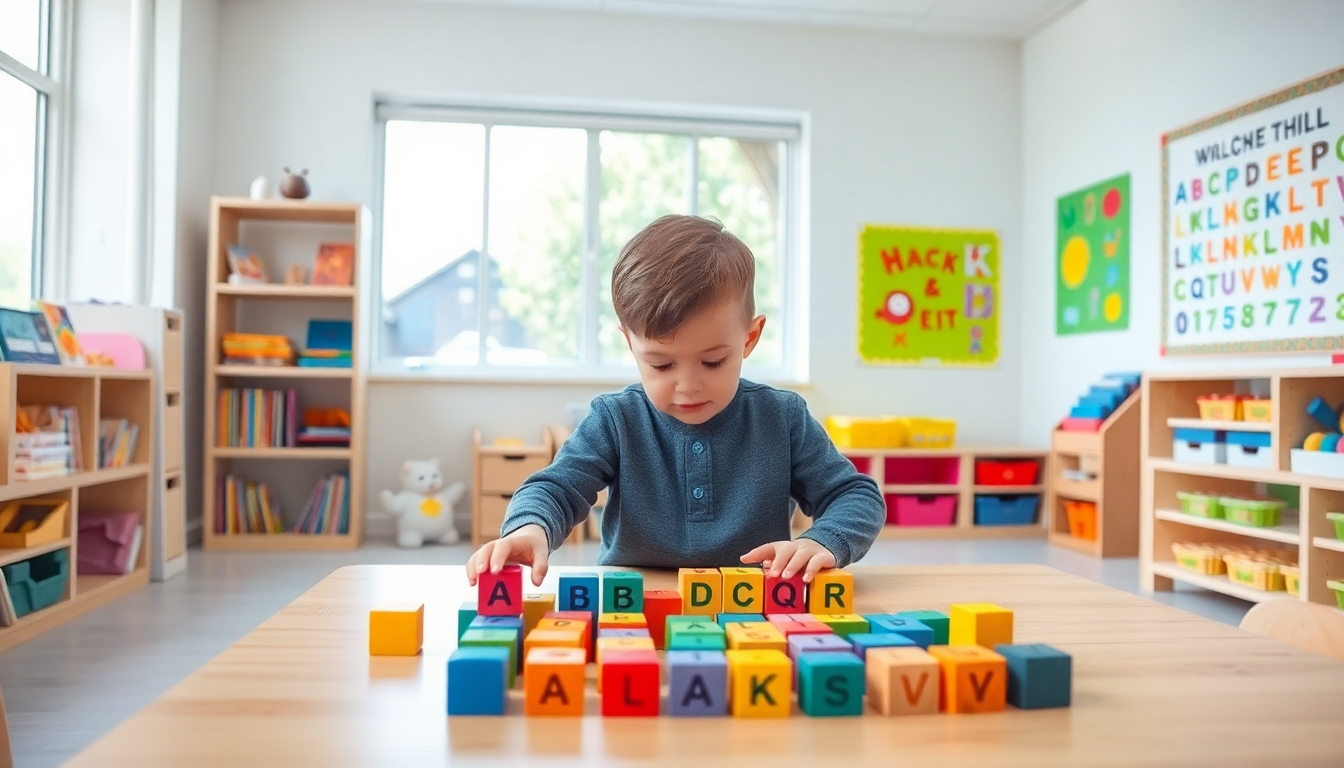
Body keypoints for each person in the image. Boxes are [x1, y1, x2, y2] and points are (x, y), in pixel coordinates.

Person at [466, 214, 884, 588]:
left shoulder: (782, 417)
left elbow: (855, 496)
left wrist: (822, 541)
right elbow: (556, 487)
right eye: (661, 365)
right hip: (631, 605)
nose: (688, 386)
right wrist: (530, 528)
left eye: (713, 362)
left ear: (750, 338)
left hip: (751, 608)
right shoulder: (615, 419)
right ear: (630, 344)